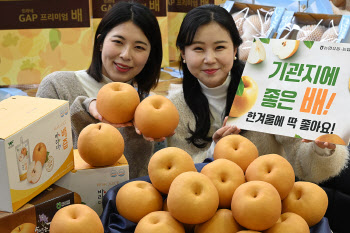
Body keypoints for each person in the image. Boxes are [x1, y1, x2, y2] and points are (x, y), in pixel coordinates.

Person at [167, 4, 349, 231]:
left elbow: (301, 162)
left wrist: (321, 148)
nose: (210, 58)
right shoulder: (173, 107)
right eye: (198, 49)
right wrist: (214, 152)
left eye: (220, 47)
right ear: (183, 53)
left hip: (270, 214)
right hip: (206, 219)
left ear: (235, 49)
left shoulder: (264, 89)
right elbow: (175, 179)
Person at [36, 1, 163, 179]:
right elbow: (40, 158)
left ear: (150, 55)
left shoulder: (149, 105)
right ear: (101, 43)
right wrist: (85, 110)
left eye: (139, 47)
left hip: (125, 205)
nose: (126, 55)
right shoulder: (58, 86)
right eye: (118, 42)